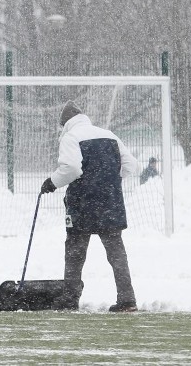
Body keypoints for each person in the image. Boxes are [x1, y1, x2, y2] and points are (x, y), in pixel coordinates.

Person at [40, 101, 140, 312]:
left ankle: (70, 298)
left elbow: (72, 168)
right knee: (116, 253)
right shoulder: (109, 135)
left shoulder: (71, 137)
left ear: (65, 123)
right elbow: (132, 165)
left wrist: (52, 182)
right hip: (110, 202)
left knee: (75, 252)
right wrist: (108, 180)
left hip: (82, 203)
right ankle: (127, 299)